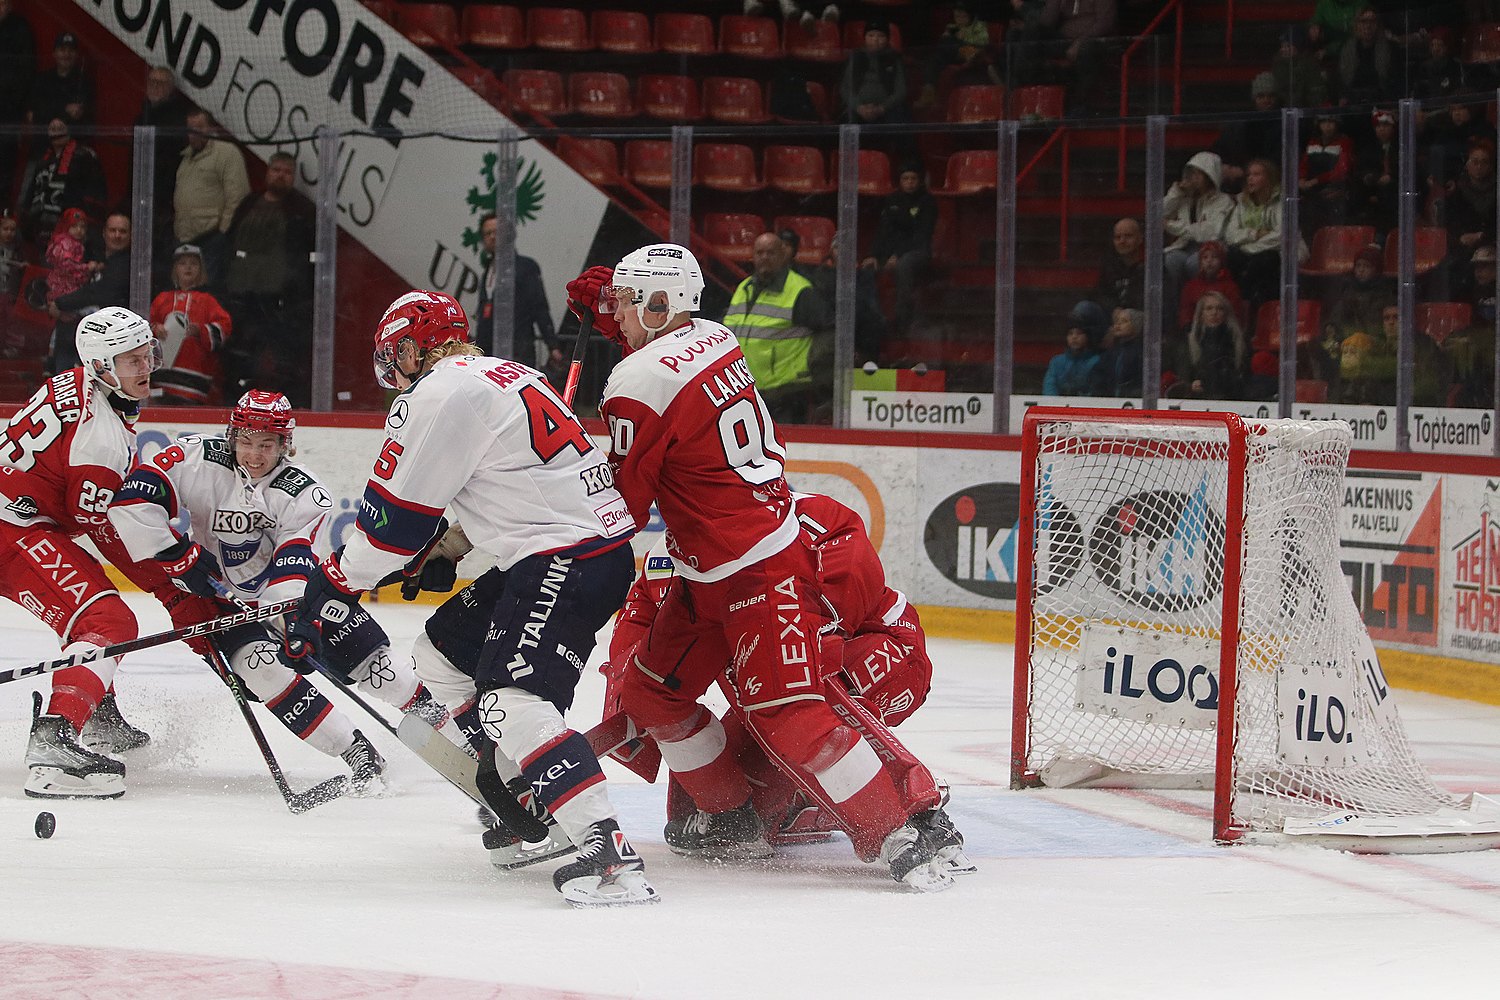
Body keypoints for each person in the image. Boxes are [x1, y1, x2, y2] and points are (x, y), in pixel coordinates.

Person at [569, 244, 966, 891]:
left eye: (624, 302)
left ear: (659, 304)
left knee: (787, 711)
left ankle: (902, 831)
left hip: (758, 572)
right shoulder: (714, 336)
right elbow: (662, 385)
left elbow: (622, 502)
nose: (615, 313)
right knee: (654, 690)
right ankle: (731, 820)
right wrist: (620, 320)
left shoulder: (637, 384)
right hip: (712, 571)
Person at [285, 289, 655, 907]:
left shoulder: (437, 394)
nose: (390, 369)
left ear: (410, 345)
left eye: (392, 353)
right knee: (438, 654)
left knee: (512, 700)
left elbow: (389, 530)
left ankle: (607, 848)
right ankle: (521, 787)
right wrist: (448, 550)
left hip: (566, 558)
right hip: (570, 548)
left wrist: (332, 586)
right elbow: (517, 489)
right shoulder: (503, 375)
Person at [602, 494, 972, 878]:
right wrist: (633, 706)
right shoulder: (667, 564)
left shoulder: (794, 520)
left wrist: (803, 637)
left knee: (796, 701)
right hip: (776, 675)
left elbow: (853, 568)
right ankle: (790, 804)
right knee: (703, 812)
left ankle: (916, 813)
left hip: (886, 645)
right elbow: (633, 651)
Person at [109, 390, 445, 789]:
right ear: (232, 436)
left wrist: (295, 623)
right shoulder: (195, 457)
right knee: (261, 672)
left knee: (379, 671)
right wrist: (177, 556)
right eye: (246, 442)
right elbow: (132, 499)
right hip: (225, 605)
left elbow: (295, 561)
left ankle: (451, 728)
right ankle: (355, 751)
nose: (254, 454)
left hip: (301, 600)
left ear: (286, 444)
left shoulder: (304, 491)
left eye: (267, 444)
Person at [0, 308, 164, 797]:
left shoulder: (74, 381)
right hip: (12, 531)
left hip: (21, 521)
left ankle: (96, 715)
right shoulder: (103, 439)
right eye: (131, 360)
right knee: (110, 622)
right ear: (102, 366)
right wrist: (164, 583)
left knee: (86, 612)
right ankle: (55, 740)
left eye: (146, 355)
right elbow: (100, 527)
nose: (145, 368)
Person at [223, 150, 315, 404]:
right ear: (267, 172)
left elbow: (305, 260)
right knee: (242, 358)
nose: (281, 176)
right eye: (277, 170)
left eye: (287, 172)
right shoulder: (249, 204)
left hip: (281, 303)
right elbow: (229, 246)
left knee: (281, 361)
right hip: (243, 297)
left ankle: (281, 405)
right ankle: (237, 402)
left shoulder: (301, 210)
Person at [723, 231, 834, 425]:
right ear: (753, 256)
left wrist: (810, 364)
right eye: (760, 253)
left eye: (771, 253)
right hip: (746, 392)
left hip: (786, 393)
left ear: (783, 255)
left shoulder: (801, 291)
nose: (764, 258)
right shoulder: (744, 288)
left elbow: (830, 331)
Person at [473, 211, 560, 383]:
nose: (492, 237)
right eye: (487, 233)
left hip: (518, 348)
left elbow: (539, 307)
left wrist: (553, 345)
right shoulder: (488, 270)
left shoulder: (525, 267)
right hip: (489, 352)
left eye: (496, 232)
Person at [148, 244, 233, 405]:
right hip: (160, 380)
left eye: (193, 264)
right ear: (175, 269)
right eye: (182, 263)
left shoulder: (207, 301)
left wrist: (201, 331)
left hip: (194, 383)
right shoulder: (162, 299)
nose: (188, 267)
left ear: (201, 270)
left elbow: (225, 327)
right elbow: (145, 327)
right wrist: (154, 329)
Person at [173, 109, 250, 284]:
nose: (195, 133)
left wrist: (222, 231)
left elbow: (238, 196)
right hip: (184, 237)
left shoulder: (226, 153)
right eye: (190, 129)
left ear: (211, 127)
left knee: (207, 289)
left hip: (211, 237)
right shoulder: (185, 158)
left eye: (199, 127)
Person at [1223, 158, 1306, 317]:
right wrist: (1254, 234)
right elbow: (1230, 234)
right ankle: (1242, 311)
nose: (1250, 179)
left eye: (1256, 174)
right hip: (1252, 252)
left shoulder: (1282, 201)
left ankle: (1256, 313)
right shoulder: (1242, 202)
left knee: (1263, 260)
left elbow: (1284, 235)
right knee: (1233, 256)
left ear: (1269, 178)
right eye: (1249, 175)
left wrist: (1250, 246)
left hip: (1280, 252)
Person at [863, 164, 936, 336]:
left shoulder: (928, 202)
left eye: (913, 179)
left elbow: (922, 235)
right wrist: (873, 255)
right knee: (867, 268)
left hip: (918, 251)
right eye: (905, 179)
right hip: (891, 252)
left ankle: (902, 321)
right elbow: (883, 231)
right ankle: (873, 322)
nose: (910, 183)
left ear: (919, 181)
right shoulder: (892, 200)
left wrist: (898, 255)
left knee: (904, 265)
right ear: (900, 181)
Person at [1161, 151, 1234, 315]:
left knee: (1194, 263)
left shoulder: (1223, 201)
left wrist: (1172, 226)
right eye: (1190, 174)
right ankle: (1174, 314)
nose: (1193, 178)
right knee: (1170, 261)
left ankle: (1202, 314)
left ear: (1209, 175)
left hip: (1212, 248)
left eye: (1198, 174)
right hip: (1184, 246)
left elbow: (1211, 231)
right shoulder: (1183, 198)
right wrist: (1176, 192)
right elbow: (1157, 214)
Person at [17, 117, 106, 242]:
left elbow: (95, 194)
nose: (55, 126)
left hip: (72, 227)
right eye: (52, 127)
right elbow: (29, 194)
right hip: (40, 226)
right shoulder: (41, 159)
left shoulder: (84, 156)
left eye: (60, 127)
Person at [1177, 291, 1248, 400]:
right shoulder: (1189, 342)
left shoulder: (1237, 341)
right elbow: (1183, 376)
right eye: (1209, 308)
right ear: (1201, 314)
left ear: (1226, 314)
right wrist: (1190, 385)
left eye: (1220, 308)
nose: (1214, 312)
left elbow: (1243, 374)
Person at [0, 0, 35, 206]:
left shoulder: (20, 29)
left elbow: (27, 71)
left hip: (9, 111)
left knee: (5, 163)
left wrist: (25, 106)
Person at [840, 18, 907, 124]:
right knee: (847, 121)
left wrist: (882, 108)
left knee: (899, 117)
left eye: (881, 36)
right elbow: (845, 88)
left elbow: (901, 90)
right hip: (858, 109)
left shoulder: (894, 58)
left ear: (887, 38)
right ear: (864, 38)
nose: (875, 40)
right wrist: (859, 108)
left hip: (887, 109)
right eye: (871, 35)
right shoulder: (855, 57)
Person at [1299, 113, 1354, 235]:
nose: (1327, 126)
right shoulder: (1312, 142)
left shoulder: (1344, 142)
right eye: (1324, 122)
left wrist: (1316, 180)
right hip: (1310, 189)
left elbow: (1342, 170)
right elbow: (1304, 164)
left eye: (1331, 122)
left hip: (1333, 187)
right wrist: (1301, 178)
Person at [26, 31, 91, 129]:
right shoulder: (42, 80)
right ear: (54, 53)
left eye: (71, 50)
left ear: (76, 54)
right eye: (62, 50)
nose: (66, 54)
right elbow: (32, 116)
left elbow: (82, 117)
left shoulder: (83, 82)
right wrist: (65, 108)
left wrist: (50, 111)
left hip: (71, 140)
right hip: (43, 140)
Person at [1177, 240, 1243, 331]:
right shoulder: (1191, 287)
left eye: (1214, 257)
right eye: (1205, 257)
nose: (1209, 261)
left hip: (1224, 332)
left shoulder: (1230, 287)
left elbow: (1235, 313)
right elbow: (1185, 310)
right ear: (1200, 262)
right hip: (1198, 331)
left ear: (1221, 262)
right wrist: (1187, 323)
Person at [1354, 109, 1399, 234]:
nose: (1381, 129)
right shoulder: (1368, 148)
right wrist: (1370, 177)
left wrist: (1391, 176)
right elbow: (1361, 170)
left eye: (1385, 125)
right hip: (1372, 188)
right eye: (1378, 126)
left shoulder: (1400, 146)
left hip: (1394, 190)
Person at [1095, 306, 1145, 397]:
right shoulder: (1111, 353)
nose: (1118, 325)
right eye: (1117, 321)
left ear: (1136, 325)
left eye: (1124, 321)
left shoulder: (1141, 353)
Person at [1042, 321, 1101, 396]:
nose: (1074, 337)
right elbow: (1049, 386)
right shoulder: (1056, 361)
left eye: (1079, 333)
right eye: (1070, 333)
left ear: (1087, 337)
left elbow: (1095, 390)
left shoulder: (1096, 361)